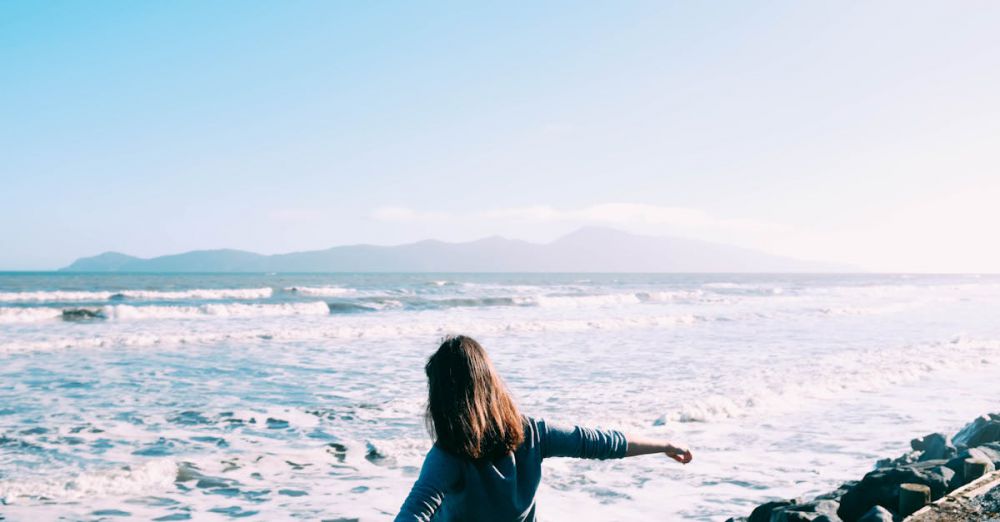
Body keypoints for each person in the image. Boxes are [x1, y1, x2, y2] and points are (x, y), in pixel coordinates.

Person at [395, 335, 693, 521]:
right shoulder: (532, 434)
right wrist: (665, 444)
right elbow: (603, 443)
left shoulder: (448, 455)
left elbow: (414, 513)